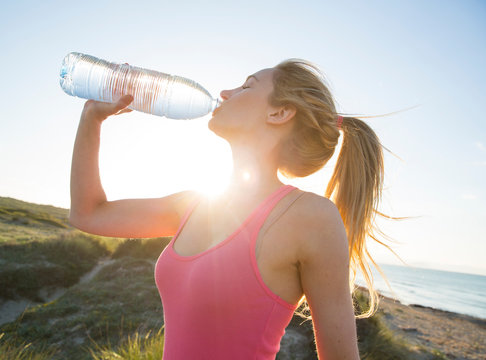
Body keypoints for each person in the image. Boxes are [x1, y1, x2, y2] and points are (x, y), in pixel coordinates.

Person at [69, 59, 387, 359]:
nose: (225, 93)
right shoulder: (195, 204)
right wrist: (91, 118)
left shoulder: (311, 217)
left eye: (247, 86)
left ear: (279, 113)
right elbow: (88, 213)